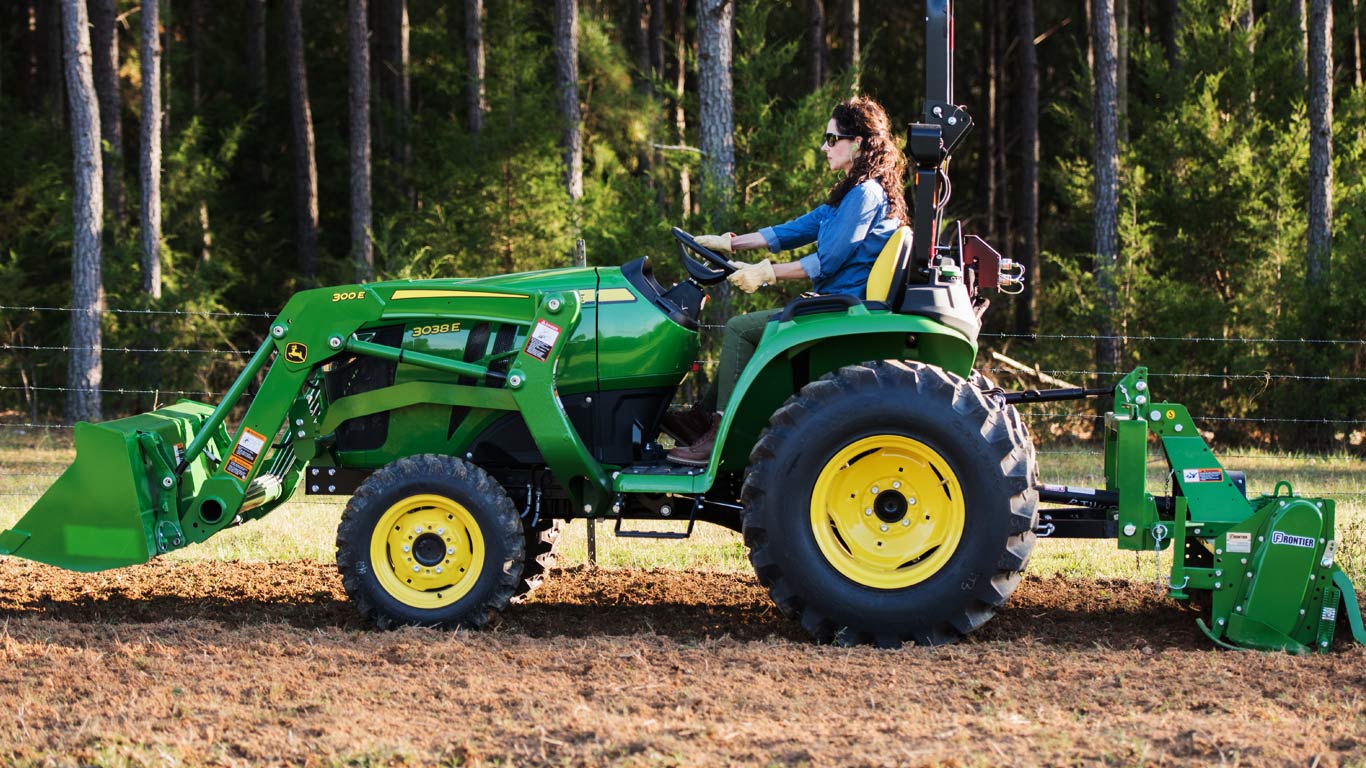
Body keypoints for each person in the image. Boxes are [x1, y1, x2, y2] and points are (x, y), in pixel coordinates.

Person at [666, 95, 908, 466]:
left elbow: (827, 262)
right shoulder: (850, 195)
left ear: (857, 142)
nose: (824, 147)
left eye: (831, 139)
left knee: (739, 329)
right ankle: (700, 421)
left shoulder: (865, 194)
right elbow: (793, 231)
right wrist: (730, 242)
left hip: (842, 309)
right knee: (747, 331)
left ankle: (718, 437)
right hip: (834, 303)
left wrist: (765, 272)